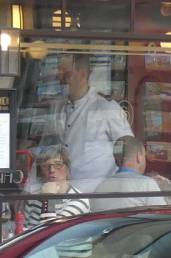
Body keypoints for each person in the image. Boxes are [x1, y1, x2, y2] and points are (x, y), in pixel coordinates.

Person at [52, 53, 133, 191]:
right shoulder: (56, 106)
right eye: (59, 73)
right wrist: (28, 188)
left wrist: (124, 189)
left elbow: (129, 152)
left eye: (66, 74)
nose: (60, 79)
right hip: (61, 191)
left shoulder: (106, 107)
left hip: (97, 194)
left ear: (82, 74)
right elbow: (47, 151)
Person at [90, 136, 168, 212]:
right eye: (144, 157)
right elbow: (162, 217)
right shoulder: (147, 185)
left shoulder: (100, 188)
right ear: (139, 157)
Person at [22, 146, 89, 229]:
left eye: (58, 165)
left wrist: (49, 197)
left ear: (67, 169)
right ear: (40, 172)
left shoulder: (79, 199)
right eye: (45, 166)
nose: (52, 170)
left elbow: (52, 232)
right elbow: (24, 232)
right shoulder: (34, 198)